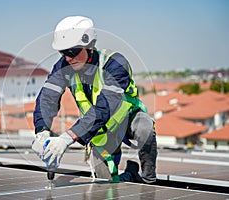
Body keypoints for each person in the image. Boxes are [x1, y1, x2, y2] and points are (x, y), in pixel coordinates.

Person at [32, 15, 157, 183]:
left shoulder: (114, 63)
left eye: (73, 51)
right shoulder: (64, 66)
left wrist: (66, 138)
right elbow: (47, 98)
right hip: (97, 129)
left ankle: (149, 180)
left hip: (128, 118)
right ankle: (130, 173)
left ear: (90, 46)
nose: (68, 58)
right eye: (63, 52)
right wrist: (42, 131)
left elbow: (105, 106)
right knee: (106, 185)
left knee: (145, 128)